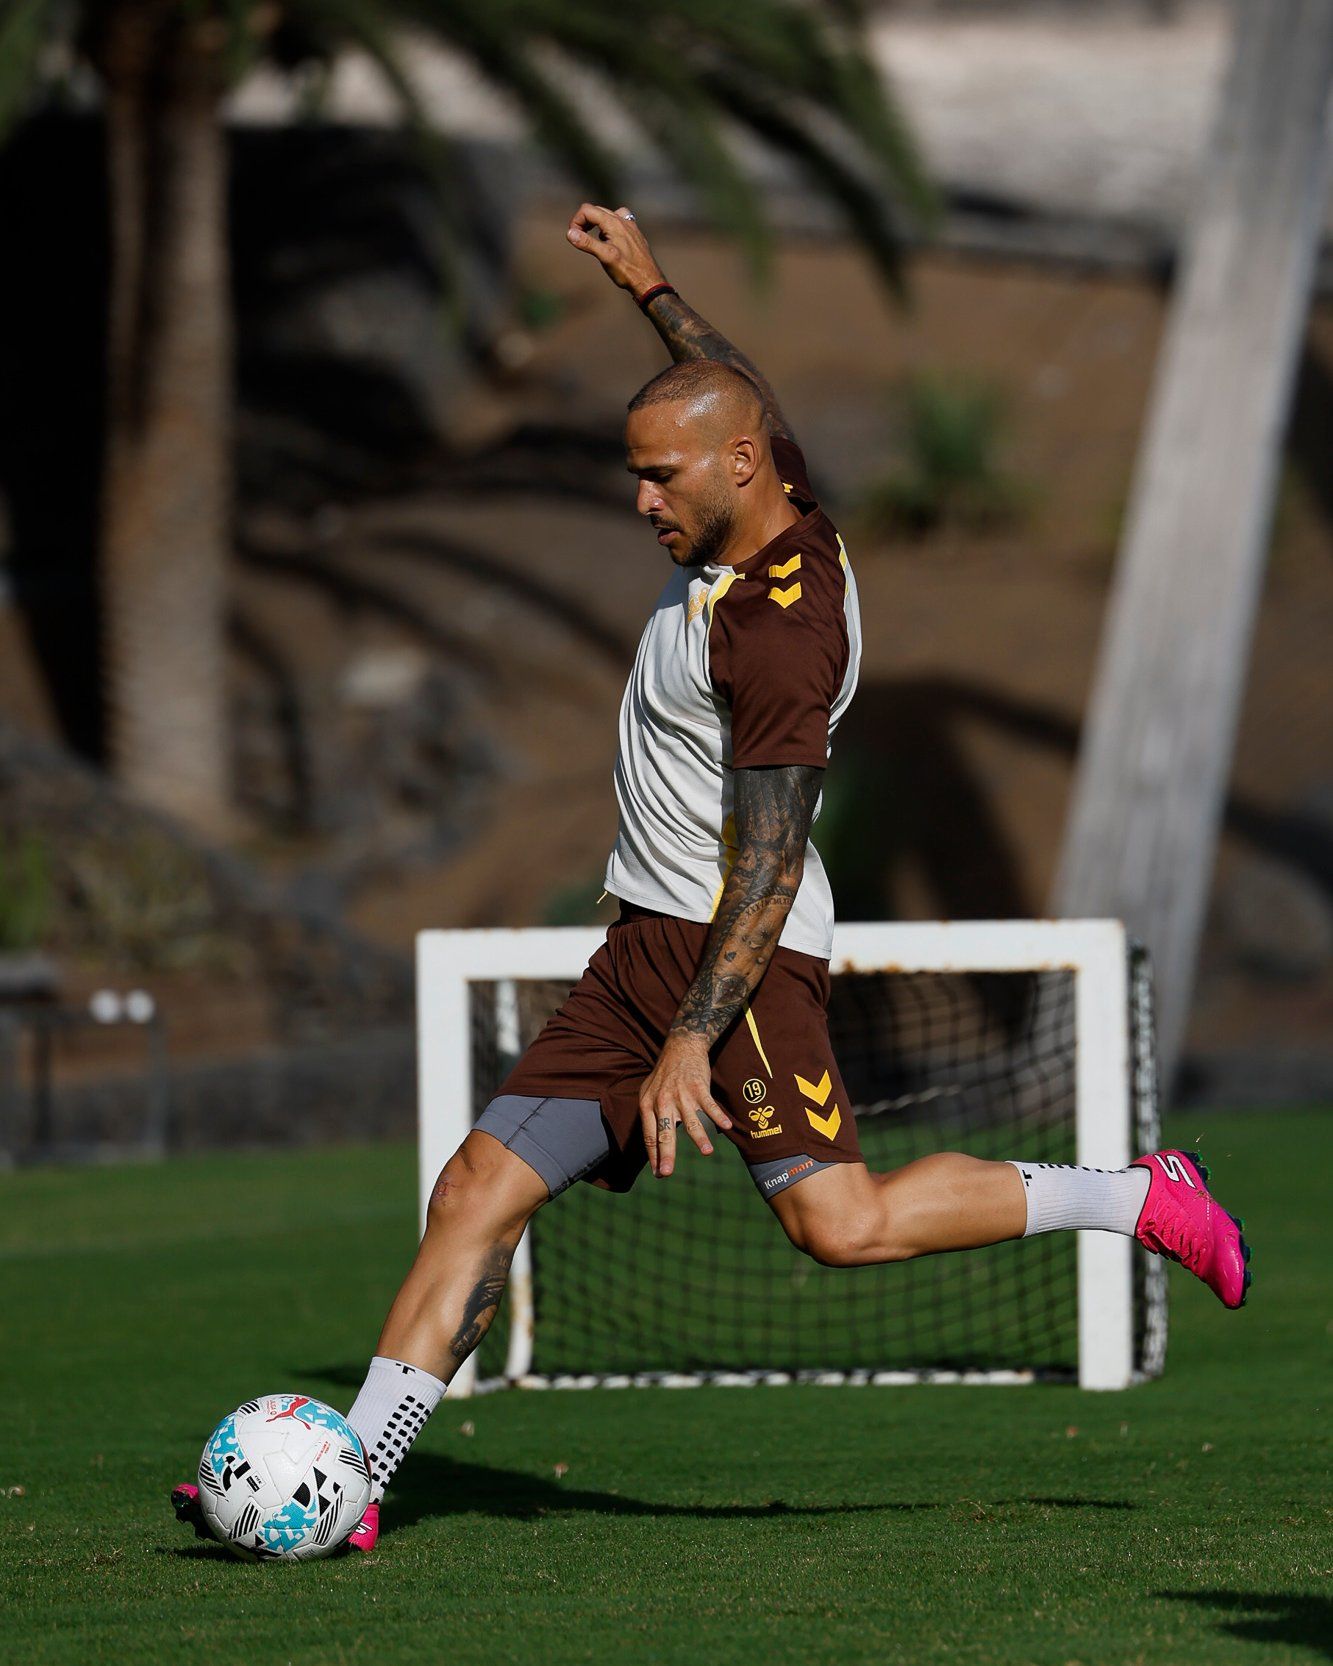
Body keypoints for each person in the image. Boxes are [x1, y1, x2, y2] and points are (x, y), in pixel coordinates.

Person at [172, 204, 1252, 1555]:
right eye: (635, 473)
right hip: (640, 952)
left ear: (736, 471)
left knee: (839, 1226)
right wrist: (653, 289)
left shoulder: (782, 639)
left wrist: (690, 1033)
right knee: (473, 1193)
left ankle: (1140, 1193)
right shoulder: (760, 486)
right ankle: (353, 1477)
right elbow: (733, 383)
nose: (640, 501)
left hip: (735, 968)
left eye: (657, 479)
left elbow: (770, 859)